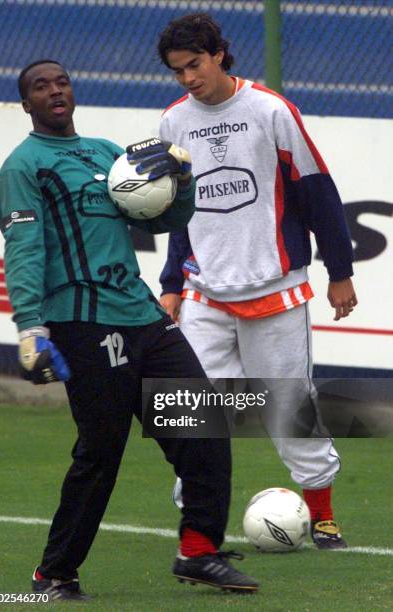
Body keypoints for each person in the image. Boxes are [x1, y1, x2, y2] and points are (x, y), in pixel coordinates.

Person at [0, 60, 259, 600]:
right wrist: (30, 328)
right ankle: (55, 574)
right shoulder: (24, 167)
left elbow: (160, 219)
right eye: (40, 87)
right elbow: (23, 251)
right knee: (102, 449)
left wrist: (181, 180)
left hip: (144, 319)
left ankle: (200, 552)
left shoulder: (106, 153)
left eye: (62, 81)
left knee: (203, 428)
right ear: (26, 105)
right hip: (83, 325)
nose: (55, 90)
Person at [152, 13, 358, 549]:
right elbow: (177, 211)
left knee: (289, 409)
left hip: (275, 289)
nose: (189, 78)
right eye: (178, 71)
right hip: (205, 293)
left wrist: (340, 271)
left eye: (194, 64)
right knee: (191, 409)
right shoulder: (173, 122)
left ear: (219, 53)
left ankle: (323, 513)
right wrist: (173, 282)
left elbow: (317, 190)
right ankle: (199, 525)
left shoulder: (270, 110)